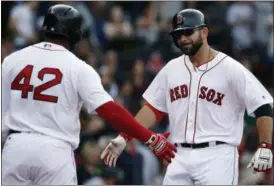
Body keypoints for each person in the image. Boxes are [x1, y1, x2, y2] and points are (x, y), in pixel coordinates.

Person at [1, 4, 177, 185]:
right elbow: (111, 111)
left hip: (16, 147)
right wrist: (150, 137)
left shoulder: (12, 60)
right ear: (76, 34)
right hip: (54, 151)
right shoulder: (78, 67)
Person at [101, 9, 273, 185]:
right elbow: (153, 109)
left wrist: (265, 145)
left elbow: (263, 105)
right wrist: (124, 137)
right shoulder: (172, 68)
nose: (182, 38)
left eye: (188, 32)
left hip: (217, 155)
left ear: (204, 32)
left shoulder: (230, 68)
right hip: (179, 155)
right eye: (178, 34)